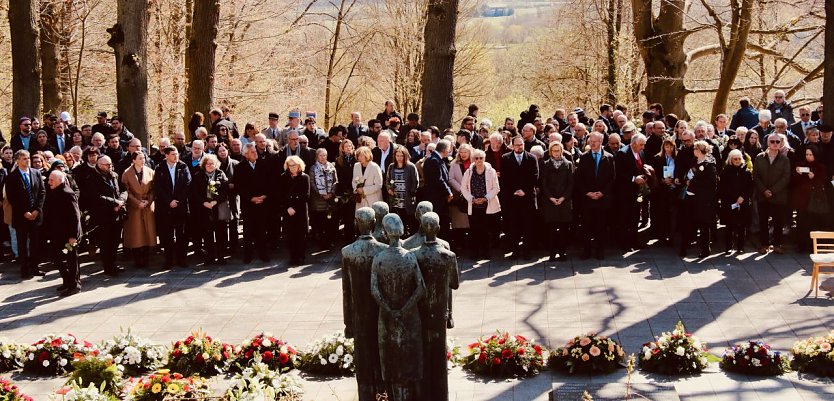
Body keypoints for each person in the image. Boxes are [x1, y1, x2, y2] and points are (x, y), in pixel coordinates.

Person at [6, 150, 46, 278]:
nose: (27, 160)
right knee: (22, 244)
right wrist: (24, 212)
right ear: (17, 161)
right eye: (24, 158)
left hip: (35, 215)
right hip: (21, 216)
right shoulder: (11, 177)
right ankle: (24, 269)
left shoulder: (36, 173)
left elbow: (42, 192)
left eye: (28, 158)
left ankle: (35, 267)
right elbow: (12, 198)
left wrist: (36, 210)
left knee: (35, 243)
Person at [576, 132, 615, 260]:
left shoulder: (609, 157)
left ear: (601, 142)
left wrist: (603, 192)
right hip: (587, 198)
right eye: (590, 141)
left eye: (595, 141)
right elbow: (579, 178)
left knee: (601, 226)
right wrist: (587, 192)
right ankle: (586, 250)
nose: (592, 143)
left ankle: (600, 250)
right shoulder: (584, 157)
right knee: (587, 226)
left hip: (602, 198)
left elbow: (612, 178)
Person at [43, 170, 82, 296]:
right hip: (57, 234)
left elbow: (75, 216)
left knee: (71, 259)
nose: (49, 182)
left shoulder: (68, 193)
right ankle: (67, 280)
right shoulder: (53, 191)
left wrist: (73, 236)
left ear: (60, 181)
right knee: (56, 257)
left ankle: (74, 284)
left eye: (51, 180)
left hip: (68, 235)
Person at [87, 155, 127, 275]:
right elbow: (96, 197)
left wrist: (121, 201)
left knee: (115, 241)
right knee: (105, 243)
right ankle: (107, 266)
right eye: (107, 165)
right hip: (103, 215)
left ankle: (113, 263)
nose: (110, 167)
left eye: (110, 164)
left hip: (117, 213)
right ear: (99, 165)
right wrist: (114, 202)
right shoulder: (92, 178)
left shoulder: (114, 175)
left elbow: (124, 190)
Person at [500, 136, 539, 259]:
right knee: (513, 226)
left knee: (528, 226)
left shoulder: (531, 158)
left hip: (527, 198)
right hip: (512, 199)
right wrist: (514, 191)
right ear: (512, 145)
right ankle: (515, 251)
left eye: (521, 145)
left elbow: (535, 176)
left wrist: (525, 190)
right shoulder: (505, 158)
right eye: (516, 145)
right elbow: (504, 178)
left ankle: (527, 251)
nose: (519, 147)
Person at [753, 133, 791, 254]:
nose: (775, 144)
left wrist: (772, 191)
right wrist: (764, 190)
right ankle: (764, 244)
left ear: (780, 144)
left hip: (778, 196)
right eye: (772, 141)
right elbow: (756, 176)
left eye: (777, 142)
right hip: (762, 196)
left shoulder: (785, 159)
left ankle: (777, 244)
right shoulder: (759, 157)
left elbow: (786, 177)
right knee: (763, 221)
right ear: (768, 143)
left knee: (778, 221)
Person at [235, 143, 273, 263]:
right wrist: (251, 198)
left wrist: (265, 195)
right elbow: (239, 187)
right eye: (252, 152)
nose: (255, 153)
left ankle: (263, 253)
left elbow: (270, 181)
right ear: (246, 155)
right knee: (248, 230)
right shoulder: (239, 167)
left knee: (262, 229)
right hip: (248, 204)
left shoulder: (264, 164)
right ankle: (248, 254)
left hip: (263, 202)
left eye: (255, 151)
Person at [154, 146, 191, 268]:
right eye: (173, 154)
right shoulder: (160, 168)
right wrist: (169, 201)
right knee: (167, 235)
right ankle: (169, 259)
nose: (176, 156)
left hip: (180, 206)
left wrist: (178, 200)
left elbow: (187, 184)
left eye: (177, 154)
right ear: (166, 156)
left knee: (182, 234)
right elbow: (158, 187)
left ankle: (182, 259)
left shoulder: (183, 166)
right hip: (166, 207)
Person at [189, 154, 230, 265]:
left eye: (212, 163)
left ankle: (221, 256)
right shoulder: (198, 176)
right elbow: (195, 192)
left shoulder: (221, 174)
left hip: (218, 208)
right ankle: (210, 256)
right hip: (204, 209)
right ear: (204, 165)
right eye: (208, 164)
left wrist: (215, 201)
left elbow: (225, 191)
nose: (210, 166)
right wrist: (204, 202)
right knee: (207, 234)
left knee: (220, 233)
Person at [679, 141, 717, 258]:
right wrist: (686, 179)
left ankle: (705, 249)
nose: (693, 150)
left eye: (696, 148)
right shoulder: (694, 161)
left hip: (702, 199)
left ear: (701, 150)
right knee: (687, 223)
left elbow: (711, 183)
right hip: (690, 196)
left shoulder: (709, 165)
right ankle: (684, 247)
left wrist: (693, 182)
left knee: (703, 224)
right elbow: (688, 173)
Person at [121, 151, 156, 268]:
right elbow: (127, 191)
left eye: (144, 158)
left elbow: (153, 189)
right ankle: (137, 259)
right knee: (136, 233)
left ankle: (146, 257)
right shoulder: (126, 173)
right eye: (140, 158)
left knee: (148, 232)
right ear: (134, 160)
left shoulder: (150, 172)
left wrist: (148, 201)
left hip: (147, 206)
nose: (143, 160)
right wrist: (137, 202)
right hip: (134, 207)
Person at [539, 141, 574, 261]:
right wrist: (551, 197)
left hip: (564, 201)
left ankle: (563, 252)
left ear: (562, 151)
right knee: (552, 230)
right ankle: (552, 253)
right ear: (550, 152)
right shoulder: (545, 164)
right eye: (554, 151)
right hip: (551, 202)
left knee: (564, 229)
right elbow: (544, 184)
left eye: (558, 150)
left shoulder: (568, 164)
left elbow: (571, 183)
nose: (556, 153)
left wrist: (564, 197)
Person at [791, 145, 829, 252]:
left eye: (811, 155)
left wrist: (814, 178)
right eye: (807, 154)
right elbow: (794, 182)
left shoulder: (821, 167)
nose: (808, 157)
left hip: (814, 200)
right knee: (802, 222)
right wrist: (797, 174)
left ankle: (813, 246)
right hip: (802, 199)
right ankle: (802, 246)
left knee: (813, 223)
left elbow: (823, 182)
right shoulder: (800, 165)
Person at [718, 149, 753, 253]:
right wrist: (734, 198)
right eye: (735, 159)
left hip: (743, 201)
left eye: (739, 159)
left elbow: (750, 187)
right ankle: (728, 246)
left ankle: (740, 247)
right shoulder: (725, 172)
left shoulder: (746, 172)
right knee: (729, 225)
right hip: (729, 201)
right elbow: (722, 187)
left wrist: (743, 197)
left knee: (742, 225)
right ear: (731, 160)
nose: (737, 161)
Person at [281, 155, 311, 265]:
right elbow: (281, 195)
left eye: (294, 165)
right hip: (288, 210)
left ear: (299, 165)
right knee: (291, 235)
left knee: (301, 235)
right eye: (290, 165)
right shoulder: (283, 177)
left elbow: (306, 195)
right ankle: (293, 257)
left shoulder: (304, 177)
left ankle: (301, 256)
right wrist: (287, 207)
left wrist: (295, 208)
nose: (292, 168)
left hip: (300, 210)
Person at [422, 140, 454, 238]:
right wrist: (448, 192)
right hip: (436, 197)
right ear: (445, 150)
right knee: (440, 220)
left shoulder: (436, 159)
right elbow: (439, 179)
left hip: (437, 196)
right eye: (448, 150)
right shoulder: (434, 160)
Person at [385, 146, 419, 236]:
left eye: (401, 156)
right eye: (397, 155)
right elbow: (388, 180)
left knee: (410, 218)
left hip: (407, 197)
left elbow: (415, 181)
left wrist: (411, 192)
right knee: (399, 218)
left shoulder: (411, 167)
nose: (399, 158)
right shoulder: (391, 167)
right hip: (395, 198)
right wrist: (389, 189)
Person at [650, 138, 678, 246]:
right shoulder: (657, 158)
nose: (669, 149)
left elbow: (680, 171)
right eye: (667, 147)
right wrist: (661, 180)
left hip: (673, 189)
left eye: (671, 147)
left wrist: (674, 179)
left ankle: (672, 236)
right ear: (663, 147)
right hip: (662, 190)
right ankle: (662, 237)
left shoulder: (677, 157)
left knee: (673, 214)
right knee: (662, 213)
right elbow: (654, 174)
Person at [309, 148, 339, 247]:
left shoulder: (332, 167)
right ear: (317, 157)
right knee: (320, 222)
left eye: (324, 155)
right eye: (320, 155)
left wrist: (331, 193)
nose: (323, 157)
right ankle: (321, 241)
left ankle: (330, 240)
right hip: (318, 201)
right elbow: (312, 183)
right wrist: (320, 194)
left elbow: (335, 181)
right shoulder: (313, 168)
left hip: (330, 199)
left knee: (329, 222)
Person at [448, 144, 472, 253]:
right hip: (459, 196)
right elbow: (451, 178)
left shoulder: (474, 163)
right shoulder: (454, 164)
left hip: (472, 195)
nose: (463, 154)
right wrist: (461, 189)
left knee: (471, 222)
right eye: (461, 152)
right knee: (459, 222)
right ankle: (460, 244)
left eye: (465, 152)